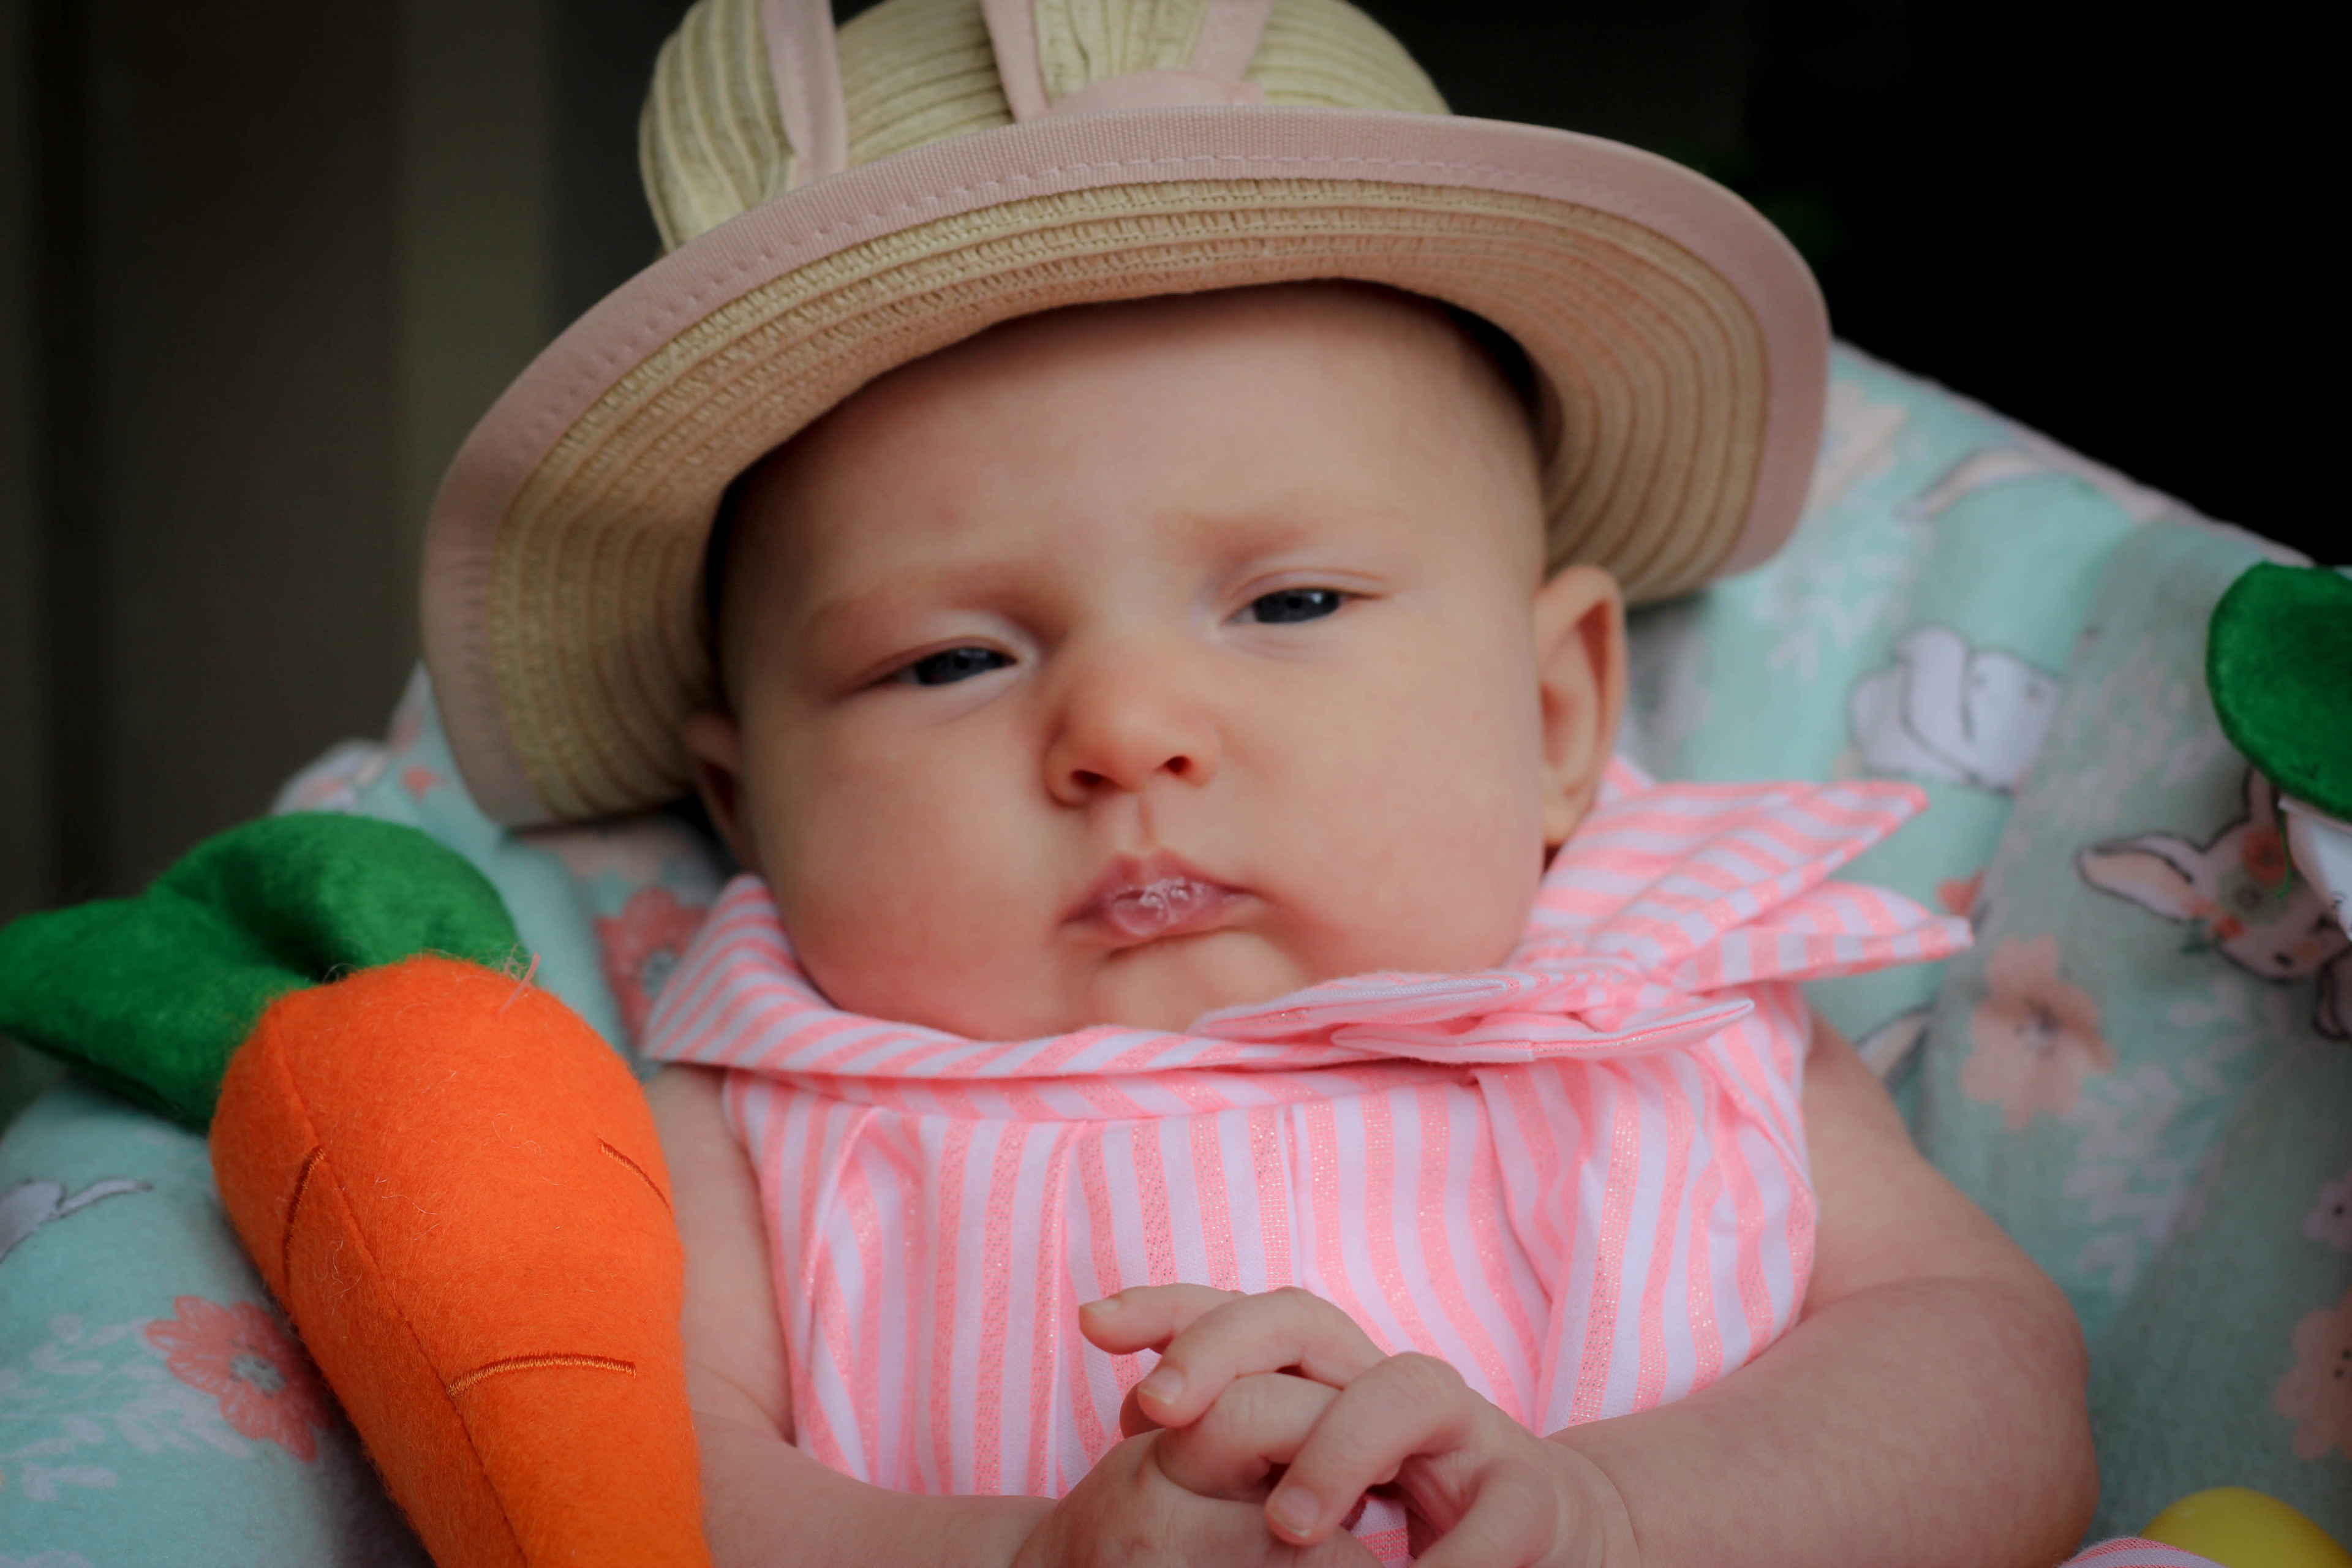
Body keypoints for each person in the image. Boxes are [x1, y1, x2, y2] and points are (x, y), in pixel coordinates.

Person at [414, 0, 2100, 1561]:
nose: (1125, 731)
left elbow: (1989, 1384)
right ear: (747, 810)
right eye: (949, 661)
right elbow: (629, 1493)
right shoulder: (757, 1116)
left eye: (1289, 605)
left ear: (1557, 713)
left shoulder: (1665, 994)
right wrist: (1020, 1557)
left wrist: (1619, 1519)